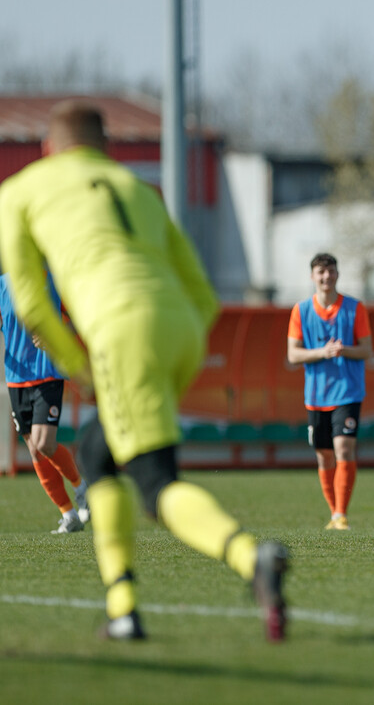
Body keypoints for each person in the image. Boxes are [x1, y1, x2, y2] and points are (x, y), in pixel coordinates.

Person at [0, 99, 288, 641]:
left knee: (155, 486)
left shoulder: (19, 192)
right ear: (105, 150)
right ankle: (123, 607)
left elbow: (31, 306)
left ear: (47, 150)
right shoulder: (137, 190)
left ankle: (253, 557)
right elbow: (202, 294)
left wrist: (81, 367)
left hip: (119, 334)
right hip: (180, 330)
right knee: (96, 455)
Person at [287, 253, 372, 530]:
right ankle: (333, 512)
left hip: (347, 391)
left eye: (331, 271)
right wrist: (322, 352)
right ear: (313, 276)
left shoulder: (354, 308)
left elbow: (366, 349)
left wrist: (343, 350)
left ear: (337, 274)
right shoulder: (300, 311)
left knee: (343, 448)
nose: (327, 277)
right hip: (316, 394)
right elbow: (293, 354)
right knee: (324, 455)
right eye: (321, 272)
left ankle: (340, 514)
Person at [0, 272, 90, 533]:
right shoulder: (3, 284)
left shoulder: (53, 279)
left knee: (44, 443)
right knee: (35, 449)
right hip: (17, 379)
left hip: (47, 370)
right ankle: (69, 515)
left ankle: (81, 487)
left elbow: (79, 319)